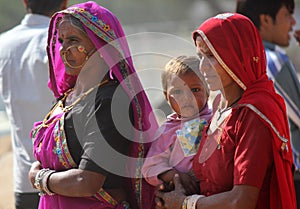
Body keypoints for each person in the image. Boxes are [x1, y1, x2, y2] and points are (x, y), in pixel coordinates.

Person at [155, 13, 297, 209]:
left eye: (212, 56)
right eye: (200, 56)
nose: (203, 67)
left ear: (239, 55)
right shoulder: (220, 104)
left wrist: (186, 203)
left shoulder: (253, 113)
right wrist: (174, 192)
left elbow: (242, 201)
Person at [27, 1, 158, 209]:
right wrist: (41, 172)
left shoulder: (110, 101)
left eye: (73, 40)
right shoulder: (67, 98)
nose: (63, 50)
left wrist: (39, 178)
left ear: (99, 46)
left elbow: (87, 181)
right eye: (61, 41)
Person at [0, 0, 68, 208]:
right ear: (64, 3)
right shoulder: (64, 42)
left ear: (25, 2)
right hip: (66, 180)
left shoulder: (4, 43)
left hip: (24, 179)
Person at [235, 0, 300, 205]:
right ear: (265, 20)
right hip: (291, 176)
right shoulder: (272, 60)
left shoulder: (236, 61)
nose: (292, 23)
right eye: (286, 15)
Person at [142, 56, 212, 195]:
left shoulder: (217, 121)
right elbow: (150, 167)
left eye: (195, 90)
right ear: (166, 97)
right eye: (177, 92)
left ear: (208, 91)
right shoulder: (167, 131)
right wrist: (175, 176)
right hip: (179, 196)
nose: (187, 97)